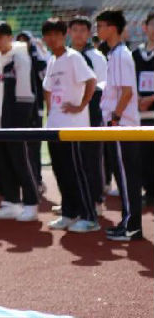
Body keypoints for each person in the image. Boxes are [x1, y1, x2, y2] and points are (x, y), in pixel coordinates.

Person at [40, 18, 99, 233]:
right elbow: (47, 87)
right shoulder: (51, 60)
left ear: (64, 36)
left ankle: (89, 217)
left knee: (77, 172)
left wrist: (81, 105)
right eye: (48, 35)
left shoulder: (74, 57)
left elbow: (91, 80)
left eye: (56, 34)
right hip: (55, 126)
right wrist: (51, 110)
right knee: (61, 171)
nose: (52, 39)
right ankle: (69, 213)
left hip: (74, 127)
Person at [96, 9, 143, 241]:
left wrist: (114, 118)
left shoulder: (121, 55)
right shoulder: (115, 54)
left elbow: (127, 92)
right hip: (118, 123)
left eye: (100, 26)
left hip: (122, 124)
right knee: (123, 176)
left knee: (126, 176)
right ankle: (127, 222)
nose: (97, 30)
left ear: (112, 28)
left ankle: (132, 226)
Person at [0, 21, 40, 221]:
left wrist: (20, 123)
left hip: (16, 123)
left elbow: (26, 95)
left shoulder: (20, 58)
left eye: (0, 37)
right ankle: (11, 202)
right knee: (4, 163)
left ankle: (31, 203)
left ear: (10, 37)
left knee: (22, 163)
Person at [69, 15, 108, 208]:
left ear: (89, 33)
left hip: (92, 111)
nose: (78, 34)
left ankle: (96, 201)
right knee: (73, 158)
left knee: (91, 157)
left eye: (82, 30)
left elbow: (102, 87)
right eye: (75, 30)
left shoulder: (96, 57)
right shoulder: (66, 56)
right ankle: (76, 201)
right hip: (70, 113)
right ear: (69, 33)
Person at [16, 30, 48, 193]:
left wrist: (39, 52)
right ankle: (22, 182)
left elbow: (45, 76)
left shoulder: (37, 60)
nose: (23, 44)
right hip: (17, 111)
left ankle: (37, 180)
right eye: (19, 41)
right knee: (18, 147)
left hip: (36, 110)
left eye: (26, 41)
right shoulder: (13, 60)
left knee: (34, 147)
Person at [131, 11, 154, 207]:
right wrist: (138, 98)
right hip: (139, 113)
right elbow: (130, 80)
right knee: (143, 155)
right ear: (145, 27)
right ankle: (149, 191)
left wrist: (151, 98)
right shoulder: (135, 54)